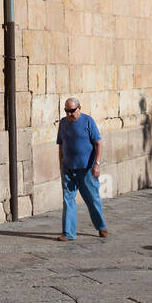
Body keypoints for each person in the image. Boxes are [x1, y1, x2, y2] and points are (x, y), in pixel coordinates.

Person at [56, 98, 108, 241]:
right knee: (68, 200)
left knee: (92, 200)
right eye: (66, 111)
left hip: (87, 170)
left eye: (72, 111)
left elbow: (98, 144)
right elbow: (61, 146)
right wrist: (61, 167)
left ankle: (101, 226)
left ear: (79, 108)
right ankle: (68, 233)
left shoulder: (88, 121)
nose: (69, 114)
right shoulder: (63, 123)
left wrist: (96, 164)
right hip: (68, 169)